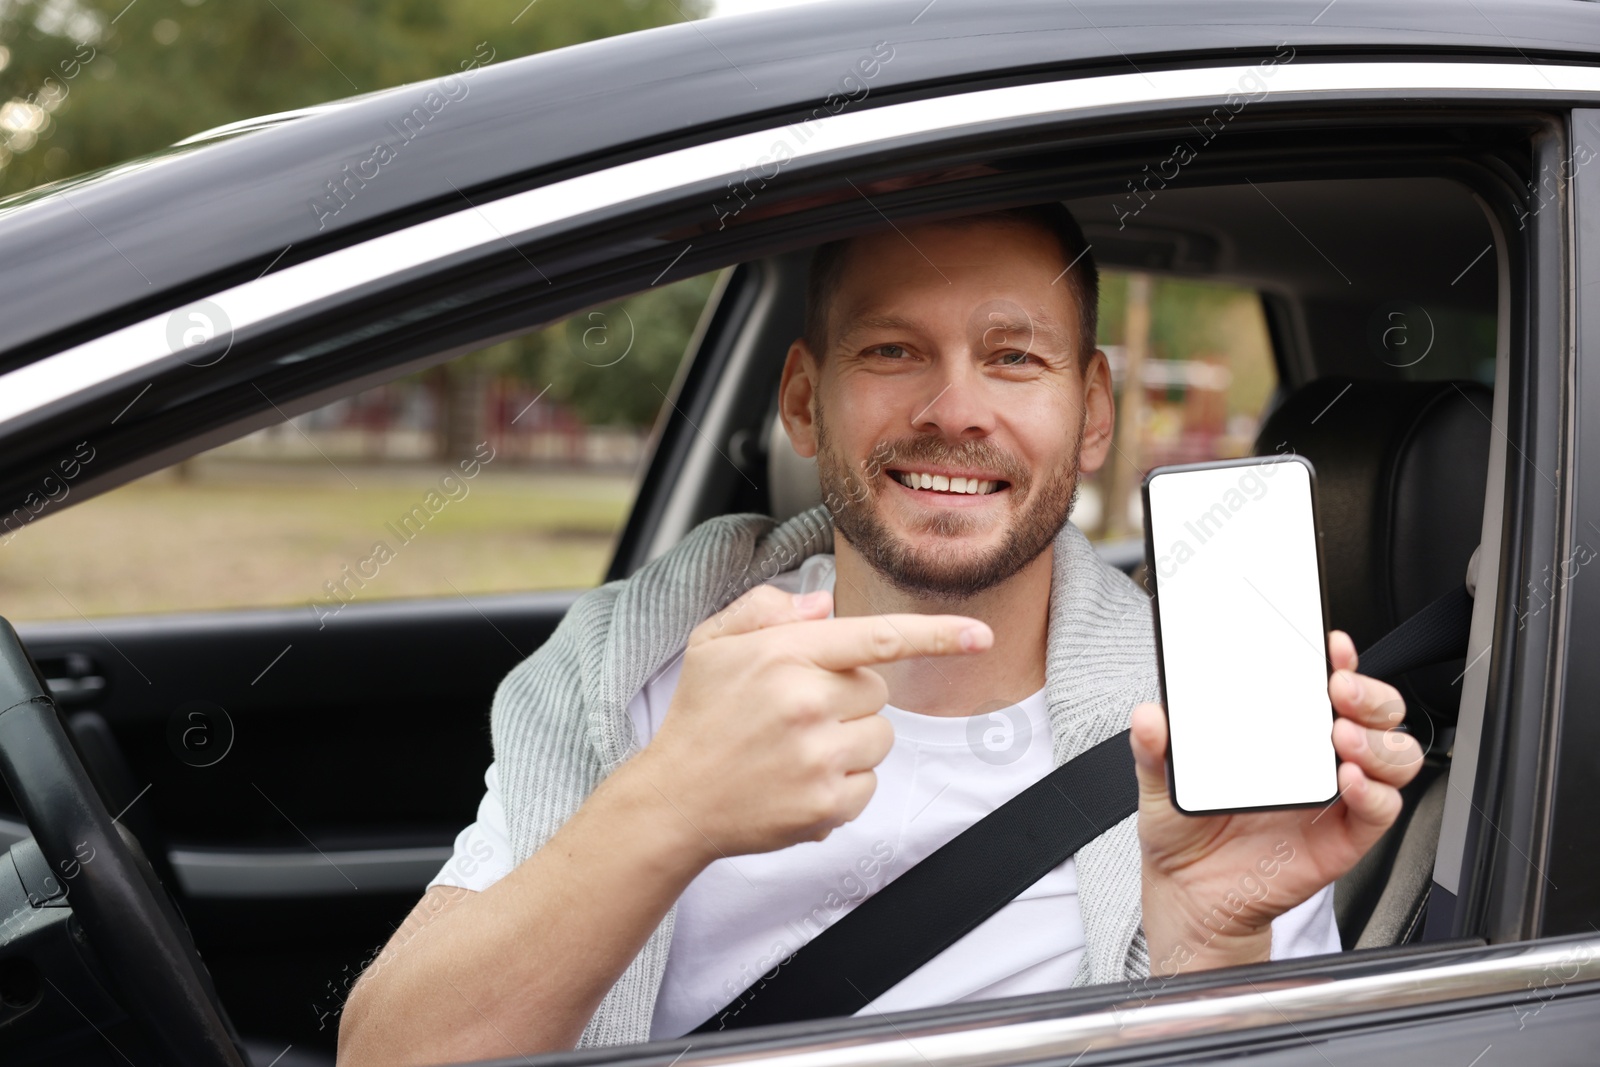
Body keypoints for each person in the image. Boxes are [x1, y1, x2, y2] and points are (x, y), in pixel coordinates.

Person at [336, 202, 1420, 1067]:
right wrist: (668, 805)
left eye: (1012, 358)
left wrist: (1212, 941)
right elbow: (393, 1055)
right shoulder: (634, 666)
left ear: (1092, 410)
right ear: (805, 400)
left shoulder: (1207, 726)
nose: (955, 408)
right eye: (894, 349)